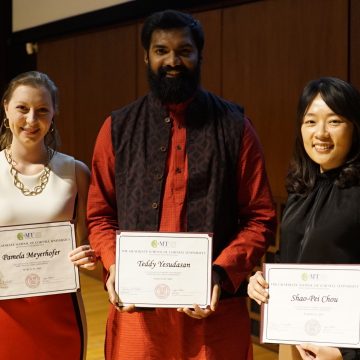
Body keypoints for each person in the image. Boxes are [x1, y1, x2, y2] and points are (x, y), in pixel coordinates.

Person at [87, 9, 276, 360]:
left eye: (184, 51)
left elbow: (260, 217)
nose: (172, 61)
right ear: (146, 56)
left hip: (213, 312)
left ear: (200, 56)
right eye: (161, 50)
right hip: (138, 317)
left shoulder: (235, 127)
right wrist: (115, 266)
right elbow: (100, 215)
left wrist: (219, 273)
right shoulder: (116, 128)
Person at [247, 77, 360, 360]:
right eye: (310, 121)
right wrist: (263, 282)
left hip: (341, 349)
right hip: (294, 339)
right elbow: (291, 260)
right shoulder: (301, 189)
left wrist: (346, 352)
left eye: (334, 121)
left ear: (355, 128)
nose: (320, 133)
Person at [0, 71, 97, 359]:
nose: (31, 119)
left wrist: (91, 254)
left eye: (42, 110)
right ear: (6, 108)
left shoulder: (76, 171)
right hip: (5, 312)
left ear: (54, 114)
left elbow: (94, 237)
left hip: (60, 310)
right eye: (22, 108)